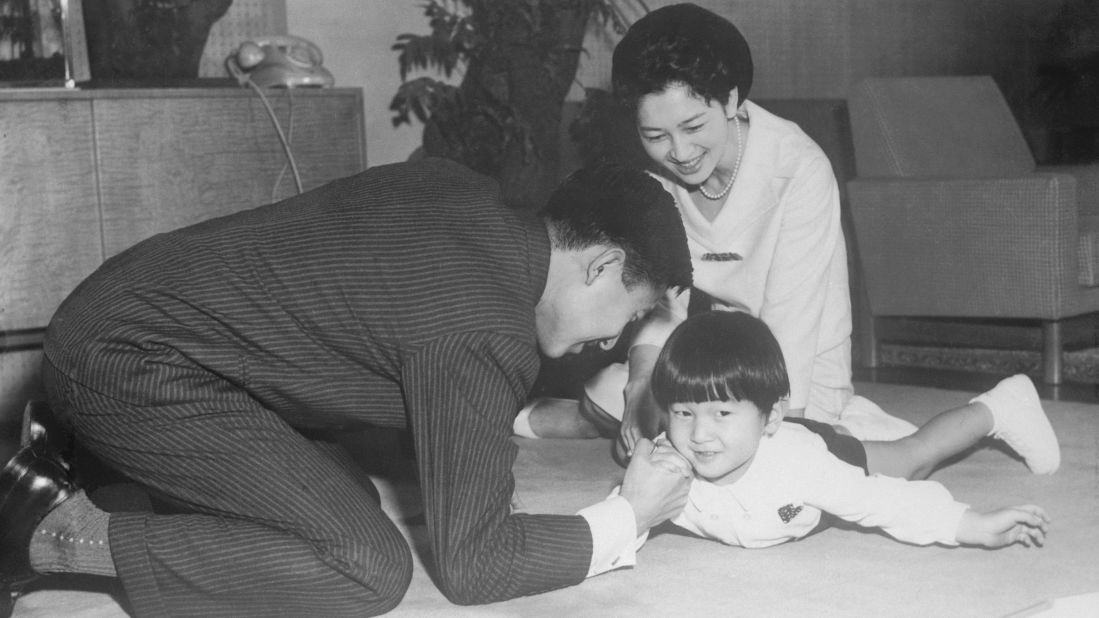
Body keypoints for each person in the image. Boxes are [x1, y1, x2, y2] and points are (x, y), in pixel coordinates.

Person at [0, 158, 696, 617]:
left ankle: (100, 467)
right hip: (127, 362)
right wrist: (625, 517)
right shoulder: (481, 326)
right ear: (601, 264)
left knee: (347, 502)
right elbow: (476, 565)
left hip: (129, 315)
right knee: (364, 566)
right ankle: (52, 533)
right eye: (630, 313)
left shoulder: (467, 197)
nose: (611, 341)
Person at [515, 2, 916, 452]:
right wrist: (641, 384)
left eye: (693, 126)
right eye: (656, 136)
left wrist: (782, 431)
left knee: (795, 450)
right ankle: (606, 411)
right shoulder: (651, 178)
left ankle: (589, 417)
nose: (680, 152)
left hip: (797, 362)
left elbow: (794, 326)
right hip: (712, 353)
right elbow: (664, 300)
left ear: (730, 99)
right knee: (642, 395)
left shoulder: (798, 169)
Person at [616, 310, 1056, 557]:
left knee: (914, 457)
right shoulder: (666, 466)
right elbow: (616, 518)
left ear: (770, 416)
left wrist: (970, 525)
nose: (699, 434)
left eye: (722, 412)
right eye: (683, 412)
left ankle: (1000, 405)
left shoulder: (805, 467)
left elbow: (885, 503)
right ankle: (857, 421)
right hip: (781, 441)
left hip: (820, 448)